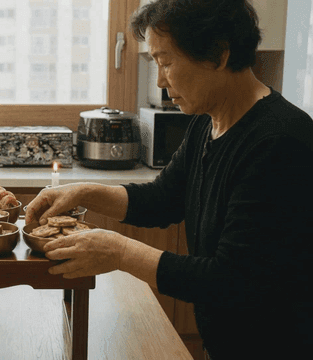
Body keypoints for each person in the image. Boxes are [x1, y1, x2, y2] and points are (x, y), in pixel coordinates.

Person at [24, 0, 313, 358]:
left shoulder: (280, 143)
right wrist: (83, 192)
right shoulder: (208, 122)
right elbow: (162, 199)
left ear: (218, 55)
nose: (161, 80)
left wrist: (118, 251)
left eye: (166, 62)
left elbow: (229, 281)